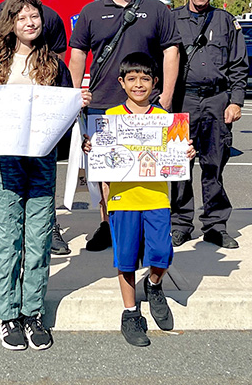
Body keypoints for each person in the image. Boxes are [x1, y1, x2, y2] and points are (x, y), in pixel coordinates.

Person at [0, 0, 91, 350]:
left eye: (34, 16)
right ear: (11, 23)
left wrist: (78, 103)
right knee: (9, 240)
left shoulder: (53, 64)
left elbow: (65, 113)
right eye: (22, 17)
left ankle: (33, 311)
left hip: (41, 161)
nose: (30, 22)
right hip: (7, 161)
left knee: (38, 240)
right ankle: (8, 314)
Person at [69, 0, 180, 252]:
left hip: (148, 105)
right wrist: (73, 95)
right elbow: (78, 54)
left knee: (149, 169)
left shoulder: (156, 9)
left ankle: (146, 225)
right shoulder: (91, 12)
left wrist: (166, 98)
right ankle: (109, 224)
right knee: (106, 171)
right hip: (104, 103)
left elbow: (172, 51)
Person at [82, 52, 195, 347]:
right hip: (123, 201)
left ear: (155, 83)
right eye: (132, 79)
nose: (139, 84)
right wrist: (91, 149)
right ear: (121, 83)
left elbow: (176, 156)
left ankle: (154, 284)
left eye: (145, 79)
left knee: (162, 254)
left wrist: (185, 153)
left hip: (157, 198)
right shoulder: (109, 118)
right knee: (127, 258)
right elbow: (99, 157)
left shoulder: (165, 120)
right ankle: (130, 312)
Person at [0, 0, 69, 257]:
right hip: (6, 124)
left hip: (39, 119)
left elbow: (59, 58)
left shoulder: (49, 16)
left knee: (44, 170)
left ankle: (49, 226)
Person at [170, 0, 248, 249]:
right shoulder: (172, 19)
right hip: (183, 100)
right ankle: (180, 223)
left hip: (217, 101)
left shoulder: (225, 21)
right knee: (179, 166)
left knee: (214, 165)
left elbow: (239, 65)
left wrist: (236, 101)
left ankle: (215, 225)